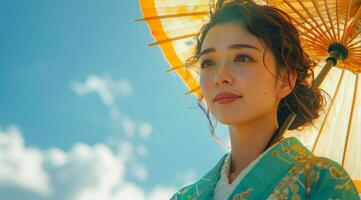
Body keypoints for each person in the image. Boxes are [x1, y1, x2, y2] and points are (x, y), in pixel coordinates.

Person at [170, 0, 360, 199]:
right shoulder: (185, 196)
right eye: (208, 62)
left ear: (286, 80)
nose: (220, 76)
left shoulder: (320, 181)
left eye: (243, 58)